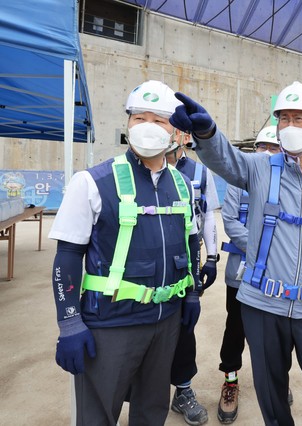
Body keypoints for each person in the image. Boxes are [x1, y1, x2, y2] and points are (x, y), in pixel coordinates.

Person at [169, 81, 302, 426]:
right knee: (272, 395)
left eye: (298, 119)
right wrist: (208, 133)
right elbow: (226, 160)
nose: (289, 127)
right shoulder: (259, 168)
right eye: (283, 119)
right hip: (262, 306)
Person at [49, 79, 201, 424]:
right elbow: (68, 256)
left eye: (159, 120)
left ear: (175, 131)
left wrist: (191, 292)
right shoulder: (92, 182)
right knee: (98, 414)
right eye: (139, 118)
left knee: (152, 410)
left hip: (166, 322)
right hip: (111, 323)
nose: (148, 127)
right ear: (127, 124)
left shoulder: (182, 184)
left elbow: (190, 241)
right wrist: (70, 321)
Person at [217, 125, 289, 424]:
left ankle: (276, 385)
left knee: (275, 336)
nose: (267, 153)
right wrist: (260, 249)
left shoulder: (289, 184)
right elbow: (230, 219)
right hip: (242, 273)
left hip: (277, 277)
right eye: (262, 147)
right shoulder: (238, 183)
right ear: (254, 149)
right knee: (235, 330)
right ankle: (231, 381)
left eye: (274, 148)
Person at [165, 129, 219, 425]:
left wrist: (210, 257)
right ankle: (145, 391)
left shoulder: (199, 172)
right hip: (149, 259)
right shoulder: (135, 168)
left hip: (188, 256)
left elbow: (208, 214)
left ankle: (182, 390)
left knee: (185, 324)